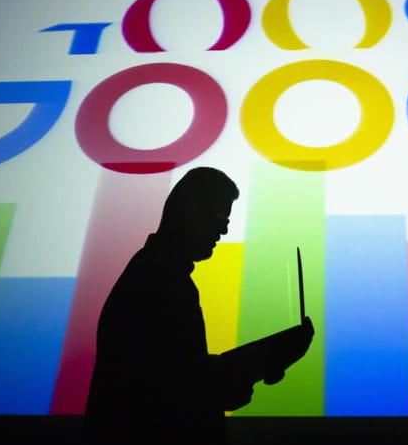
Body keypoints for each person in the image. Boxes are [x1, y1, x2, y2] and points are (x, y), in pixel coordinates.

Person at [84, 167, 313, 444]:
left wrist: (259, 363)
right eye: (218, 218)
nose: (224, 229)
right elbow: (178, 388)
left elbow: (180, 378)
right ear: (188, 213)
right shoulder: (159, 280)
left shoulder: (152, 272)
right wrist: (265, 358)